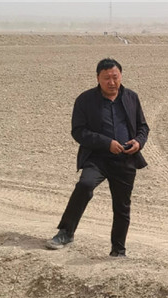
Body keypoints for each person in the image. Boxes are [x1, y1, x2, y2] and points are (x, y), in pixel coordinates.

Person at [46, 58, 150, 257]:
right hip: (97, 157)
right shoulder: (85, 100)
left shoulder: (131, 97)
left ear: (121, 76)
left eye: (115, 77)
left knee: (122, 206)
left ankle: (118, 250)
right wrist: (106, 143)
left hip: (125, 159)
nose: (111, 82)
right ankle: (66, 233)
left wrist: (138, 142)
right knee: (84, 185)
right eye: (106, 78)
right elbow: (78, 131)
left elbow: (143, 127)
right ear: (97, 78)